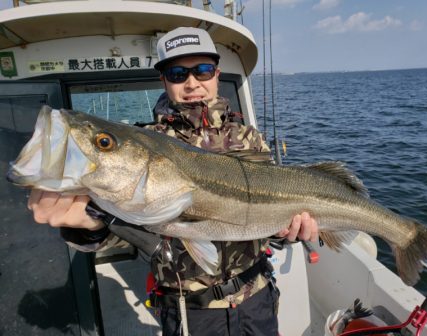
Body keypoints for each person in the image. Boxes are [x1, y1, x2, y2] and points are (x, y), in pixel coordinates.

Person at [28, 27, 318, 336]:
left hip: (256, 297)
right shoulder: (147, 145)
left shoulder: (250, 139)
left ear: (217, 74)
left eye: (203, 70)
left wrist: (290, 233)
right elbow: (129, 229)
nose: (193, 83)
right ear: (164, 80)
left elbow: (269, 221)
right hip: (188, 311)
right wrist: (88, 225)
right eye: (178, 73)